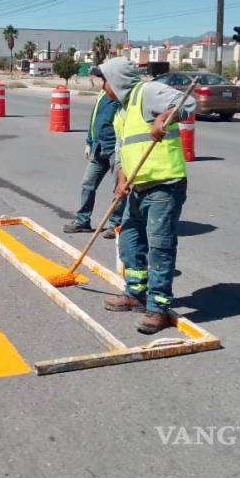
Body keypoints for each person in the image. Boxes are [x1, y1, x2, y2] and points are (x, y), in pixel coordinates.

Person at [98, 57, 196, 334]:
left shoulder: (148, 92)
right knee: (130, 241)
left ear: (116, 80)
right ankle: (135, 293)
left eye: (104, 81)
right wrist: (121, 177)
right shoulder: (122, 111)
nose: (102, 87)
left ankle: (158, 308)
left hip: (165, 185)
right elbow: (122, 149)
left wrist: (166, 118)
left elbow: (187, 104)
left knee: (160, 247)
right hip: (138, 187)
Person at [63, 66, 125, 239]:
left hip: (115, 149)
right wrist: (89, 142)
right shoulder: (103, 95)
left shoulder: (122, 98)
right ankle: (83, 221)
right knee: (87, 184)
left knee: (119, 188)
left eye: (105, 80)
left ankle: (116, 224)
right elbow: (94, 119)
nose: (102, 84)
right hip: (98, 147)